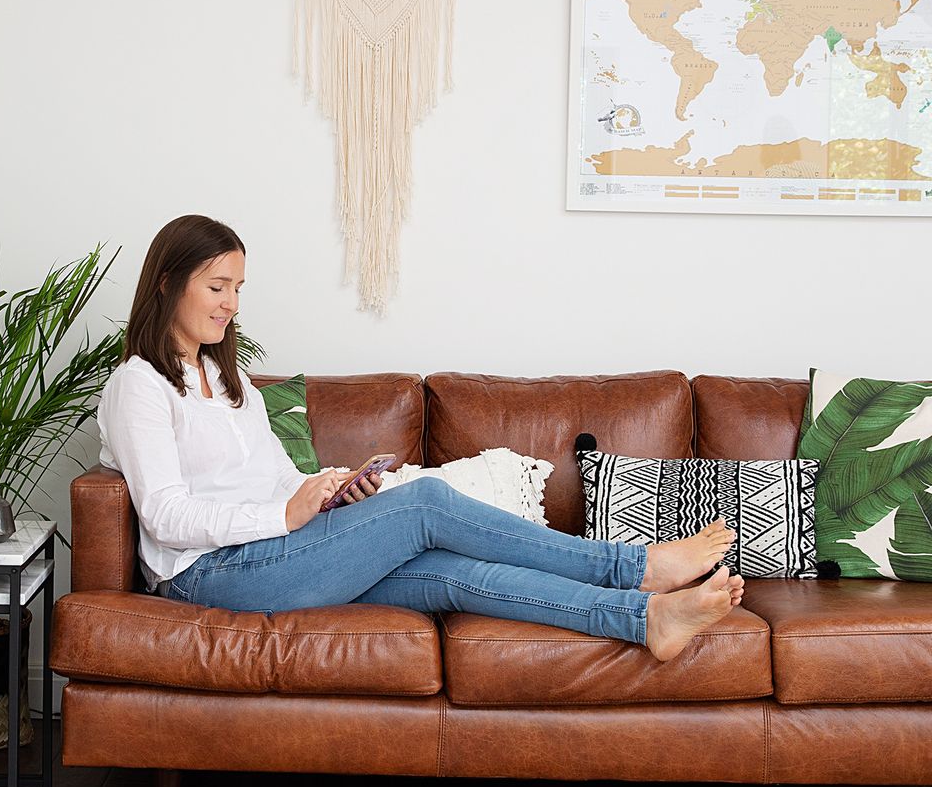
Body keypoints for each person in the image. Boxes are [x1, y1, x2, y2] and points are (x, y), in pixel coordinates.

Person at [97, 215, 744, 661]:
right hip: (208, 575)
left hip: (279, 551)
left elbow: (277, 482)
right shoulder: (140, 385)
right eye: (217, 286)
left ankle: (641, 619)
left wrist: (324, 494)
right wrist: (281, 514)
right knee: (426, 505)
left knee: (452, 576)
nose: (231, 303)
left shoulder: (230, 382)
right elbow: (164, 514)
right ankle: (636, 567)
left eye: (237, 288)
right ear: (166, 282)